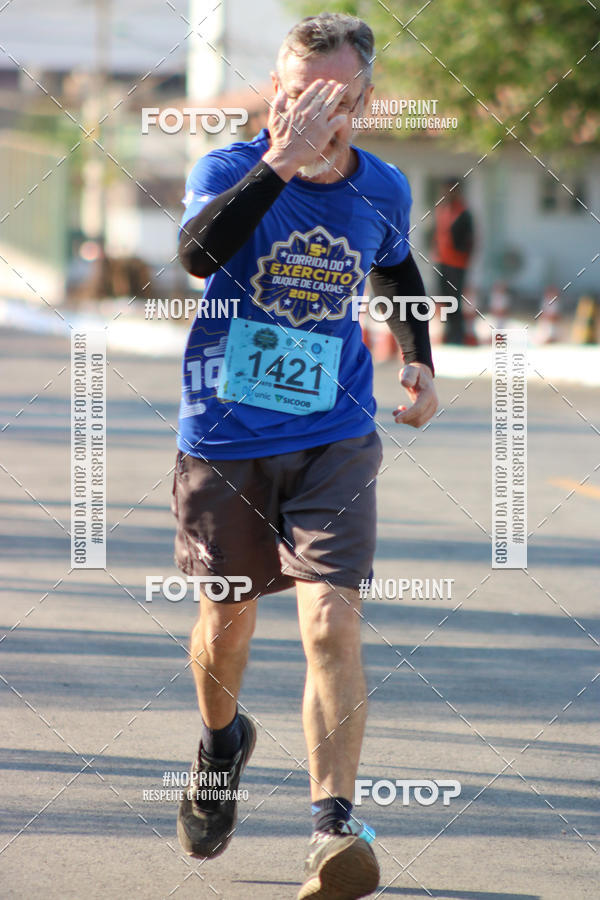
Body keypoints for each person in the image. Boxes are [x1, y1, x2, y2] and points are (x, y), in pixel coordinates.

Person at [173, 13, 437, 899]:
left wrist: (420, 363)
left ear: (360, 99)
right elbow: (197, 254)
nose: (302, 106)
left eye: (324, 94)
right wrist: (279, 159)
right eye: (291, 90)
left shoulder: (384, 186)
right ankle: (220, 746)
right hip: (226, 438)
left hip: (335, 432)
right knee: (229, 625)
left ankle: (333, 828)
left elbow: (397, 270)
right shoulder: (228, 168)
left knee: (330, 619)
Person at [431, 178, 475, 344]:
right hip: (442, 260)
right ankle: (448, 332)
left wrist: (464, 256)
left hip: (457, 263)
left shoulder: (463, 212)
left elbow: (470, 239)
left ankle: (458, 334)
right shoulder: (441, 209)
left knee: (454, 298)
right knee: (443, 298)